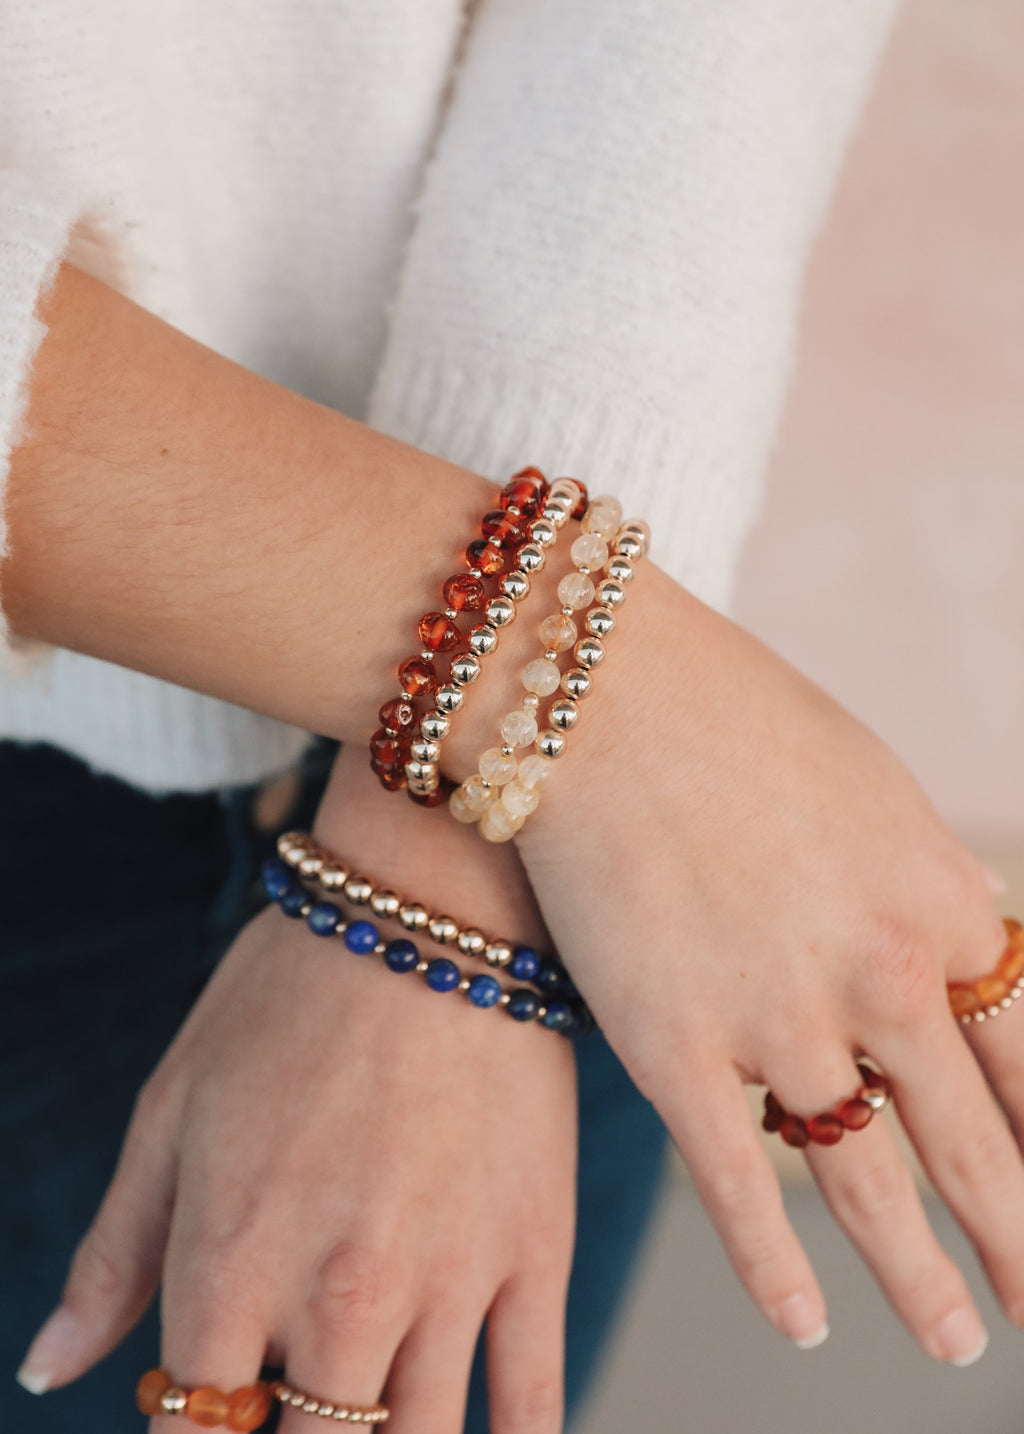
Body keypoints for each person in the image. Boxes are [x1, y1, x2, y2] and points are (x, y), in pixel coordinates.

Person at [5, 3, 1022, 1433]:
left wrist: (450, 843)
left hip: (576, 825)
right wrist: (567, 697)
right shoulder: (592, 710)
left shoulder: (542, 783)